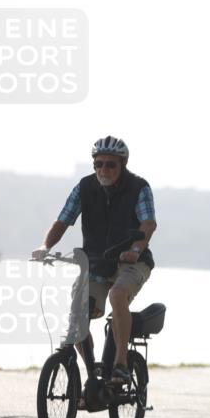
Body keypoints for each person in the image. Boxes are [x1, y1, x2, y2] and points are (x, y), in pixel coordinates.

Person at [32, 136, 157, 385]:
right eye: (98, 164)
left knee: (118, 295)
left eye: (111, 164)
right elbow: (62, 221)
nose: (104, 169)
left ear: (123, 164)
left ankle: (120, 365)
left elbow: (148, 224)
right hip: (97, 262)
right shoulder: (84, 188)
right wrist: (45, 246)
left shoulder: (138, 187)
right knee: (78, 313)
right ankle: (93, 377)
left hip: (132, 261)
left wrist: (135, 248)